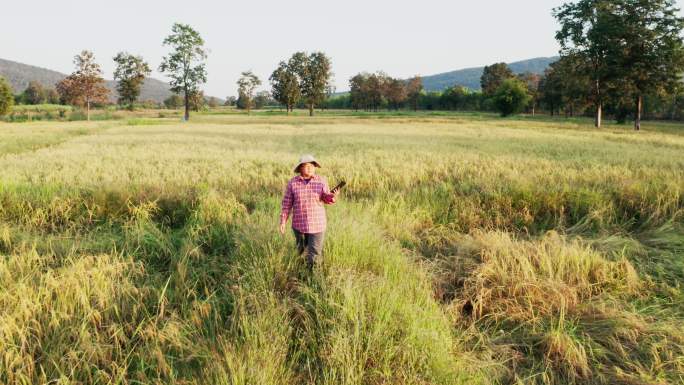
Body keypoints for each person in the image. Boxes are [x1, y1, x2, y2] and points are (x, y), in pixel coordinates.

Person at [279, 154, 338, 271]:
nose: (310, 168)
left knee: (314, 253)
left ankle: (314, 278)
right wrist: (283, 221)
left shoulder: (321, 181)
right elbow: (287, 204)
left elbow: (325, 198)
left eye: (312, 165)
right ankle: (301, 274)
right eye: (306, 166)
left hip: (317, 224)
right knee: (301, 251)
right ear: (300, 168)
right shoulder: (293, 183)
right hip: (299, 225)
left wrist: (332, 196)